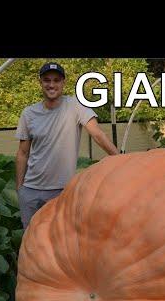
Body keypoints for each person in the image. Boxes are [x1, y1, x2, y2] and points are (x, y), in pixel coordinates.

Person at [15, 62, 119, 229]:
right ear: (40, 82)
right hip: (31, 191)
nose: (51, 85)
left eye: (56, 80)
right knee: (31, 242)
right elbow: (22, 153)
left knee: (62, 240)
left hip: (62, 191)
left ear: (63, 83)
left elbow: (98, 134)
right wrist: (20, 188)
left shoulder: (75, 106)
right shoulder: (29, 113)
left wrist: (122, 159)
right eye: (47, 80)